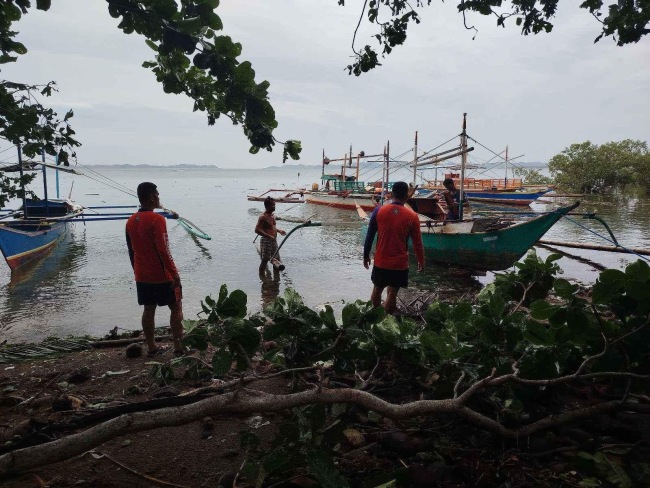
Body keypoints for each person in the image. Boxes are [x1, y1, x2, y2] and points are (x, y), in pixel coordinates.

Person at [126, 182, 185, 357]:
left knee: (148, 309)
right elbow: (163, 249)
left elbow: (131, 251)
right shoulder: (157, 220)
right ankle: (178, 347)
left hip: (142, 275)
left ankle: (152, 348)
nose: (159, 197)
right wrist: (174, 273)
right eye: (157, 194)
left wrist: (136, 271)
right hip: (162, 275)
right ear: (152, 196)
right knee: (176, 307)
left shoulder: (130, 221)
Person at [363, 181, 425, 315]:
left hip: (381, 260)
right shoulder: (412, 216)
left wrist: (366, 255)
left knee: (377, 290)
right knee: (392, 292)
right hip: (400, 263)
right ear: (407, 196)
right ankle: (386, 319)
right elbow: (417, 243)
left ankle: (375, 319)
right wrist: (421, 260)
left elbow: (370, 235)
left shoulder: (378, 210)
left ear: (391, 195)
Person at [255, 196, 286, 272]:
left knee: (277, 259)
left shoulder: (272, 216)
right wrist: (268, 236)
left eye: (274, 205)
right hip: (266, 240)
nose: (274, 207)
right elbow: (257, 230)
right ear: (267, 206)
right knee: (265, 260)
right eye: (272, 205)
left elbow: (272, 227)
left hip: (273, 240)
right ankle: (262, 278)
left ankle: (276, 281)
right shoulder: (263, 217)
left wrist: (279, 231)